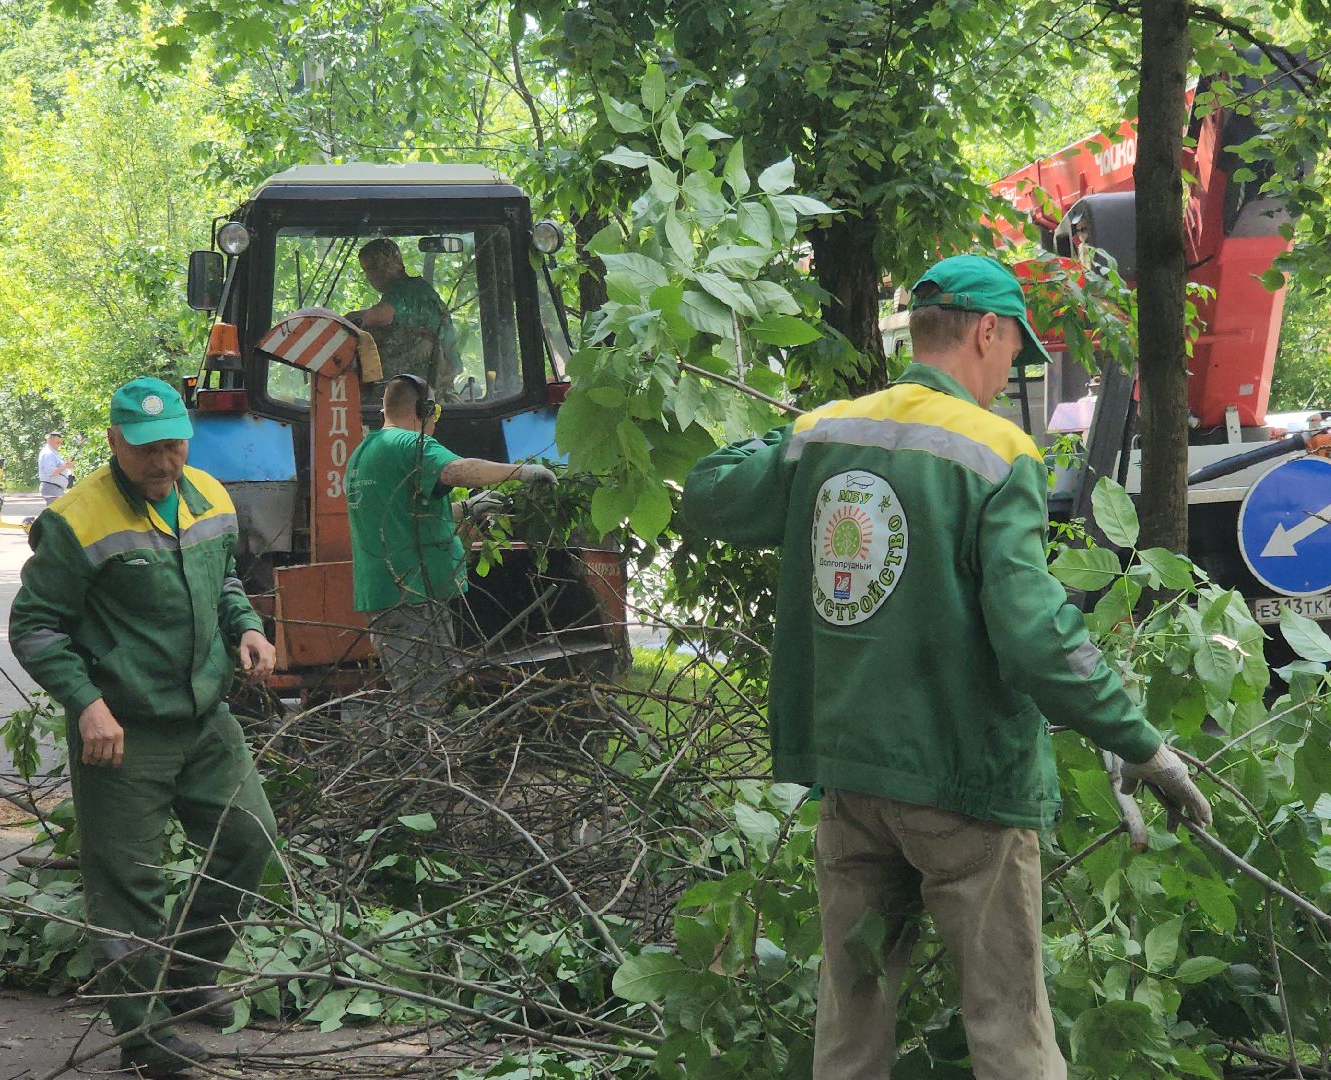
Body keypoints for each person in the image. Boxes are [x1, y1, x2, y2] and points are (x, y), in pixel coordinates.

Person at [679, 254, 1214, 1079]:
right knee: (1007, 1026)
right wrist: (1139, 741)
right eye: (1013, 355)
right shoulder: (1000, 451)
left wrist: (796, 431)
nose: (1010, 375)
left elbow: (707, 491)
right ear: (987, 331)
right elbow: (1033, 632)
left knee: (850, 1024)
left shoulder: (830, 433)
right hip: (967, 790)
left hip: (855, 781)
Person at [9, 378, 280, 1077]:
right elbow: (35, 625)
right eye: (145, 450)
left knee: (249, 839)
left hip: (205, 719)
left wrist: (246, 627)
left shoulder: (209, 495)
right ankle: (144, 1039)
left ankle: (190, 971)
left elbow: (221, 581)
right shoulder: (77, 520)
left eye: (173, 445)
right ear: (113, 443)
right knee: (129, 886)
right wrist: (85, 702)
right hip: (121, 733)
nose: (163, 463)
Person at [346, 373, 555, 701]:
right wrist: (523, 472)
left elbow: (401, 515)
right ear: (424, 410)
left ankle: (413, 750)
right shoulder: (410, 444)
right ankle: (422, 753)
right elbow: (459, 470)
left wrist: (466, 507)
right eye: (436, 413)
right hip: (412, 593)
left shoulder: (365, 453)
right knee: (425, 699)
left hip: (388, 592)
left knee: (420, 692)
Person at [343, 238, 459, 392]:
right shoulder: (419, 289)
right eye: (367, 269)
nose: (373, 275)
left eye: (378, 265)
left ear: (397, 261)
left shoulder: (406, 289)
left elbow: (381, 316)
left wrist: (342, 320)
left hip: (433, 382)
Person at [38, 432, 73, 505]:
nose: (59, 445)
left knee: (59, 512)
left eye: (60, 442)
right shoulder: (48, 454)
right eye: (57, 442)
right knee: (59, 512)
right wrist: (66, 466)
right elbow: (51, 472)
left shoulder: (53, 453)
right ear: (49, 440)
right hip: (51, 487)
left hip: (55, 488)